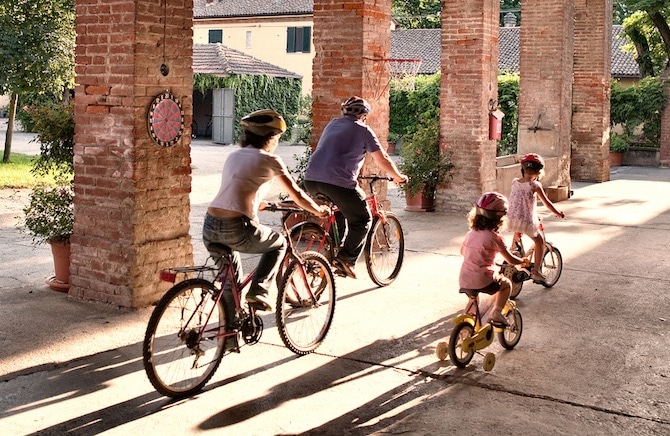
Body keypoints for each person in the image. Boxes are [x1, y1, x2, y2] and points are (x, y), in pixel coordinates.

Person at [203, 109, 329, 313]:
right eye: (278, 137)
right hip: (237, 227)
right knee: (279, 244)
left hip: (210, 225)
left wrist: (259, 203)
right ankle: (259, 291)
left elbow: (239, 187)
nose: (278, 141)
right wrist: (318, 210)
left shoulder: (233, 156)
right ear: (270, 137)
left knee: (230, 282)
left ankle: (229, 337)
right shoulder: (271, 160)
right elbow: (297, 194)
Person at [303, 96, 408, 279]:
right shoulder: (363, 130)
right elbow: (381, 158)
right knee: (362, 219)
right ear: (364, 116)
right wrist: (398, 177)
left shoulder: (332, 124)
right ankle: (345, 260)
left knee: (341, 212)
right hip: (338, 183)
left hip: (311, 180)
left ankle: (332, 254)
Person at [460, 192, 529, 325]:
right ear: (499, 219)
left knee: (473, 300)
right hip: (483, 278)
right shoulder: (495, 238)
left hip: (465, 278)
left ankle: (465, 326)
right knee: (506, 285)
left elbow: (463, 252)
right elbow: (511, 260)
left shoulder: (470, 234)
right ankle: (496, 313)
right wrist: (523, 261)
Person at [506, 153, 565, 283]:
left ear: (523, 169)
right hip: (526, 220)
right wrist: (558, 212)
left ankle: (514, 249)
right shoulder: (535, 185)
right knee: (539, 241)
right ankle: (536, 271)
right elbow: (547, 203)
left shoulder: (514, 182)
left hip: (512, 218)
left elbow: (519, 203)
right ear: (539, 172)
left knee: (518, 228)